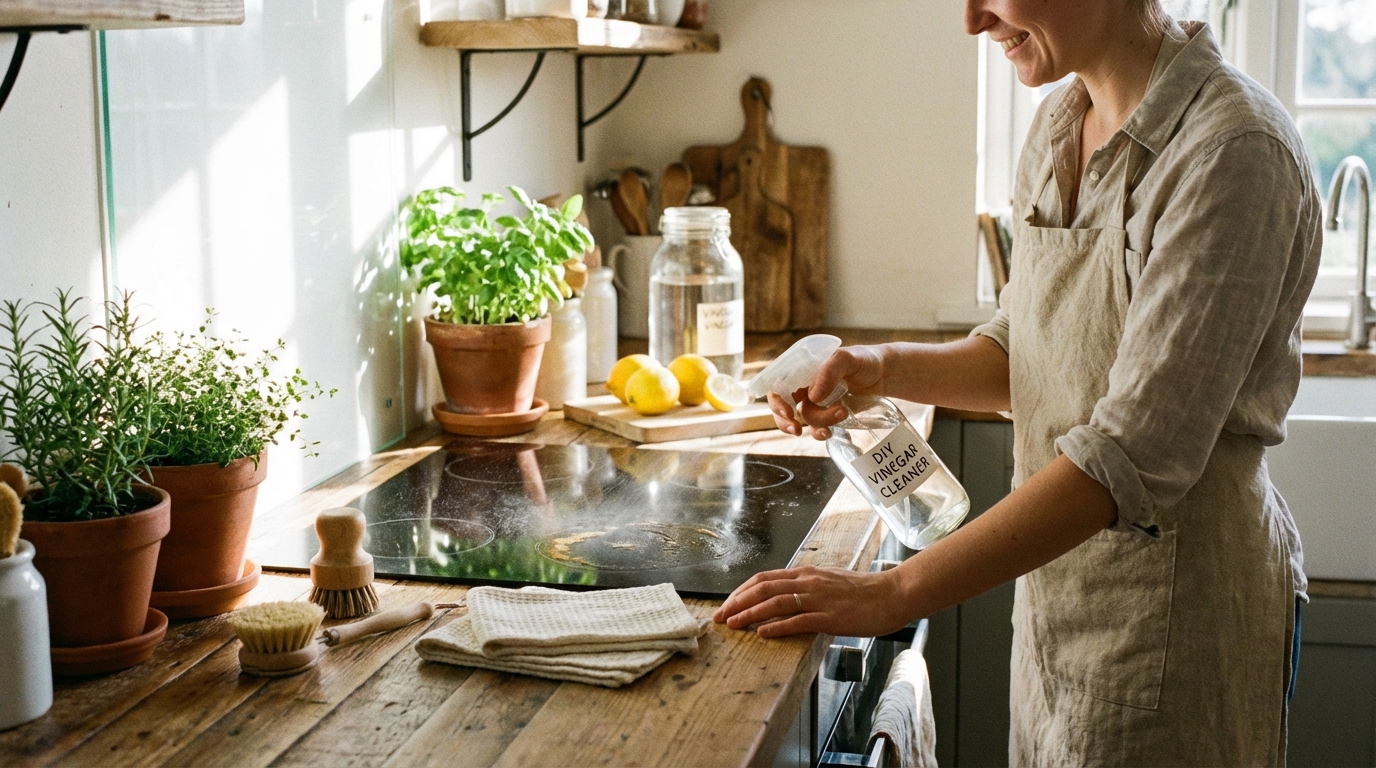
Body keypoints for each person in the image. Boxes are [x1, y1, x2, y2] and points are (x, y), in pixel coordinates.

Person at [712, 0, 1323, 764]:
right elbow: (1026, 349)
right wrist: (881, 369)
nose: (971, 21)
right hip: (1058, 607)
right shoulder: (1063, 123)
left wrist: (892, 594)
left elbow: (1127, 456)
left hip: (1180, 630)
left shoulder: (1233, 152)